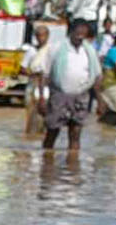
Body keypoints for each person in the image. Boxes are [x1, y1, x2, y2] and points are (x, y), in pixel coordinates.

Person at [32, 20, 105, 160]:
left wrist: (100, 101)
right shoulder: (56, 48)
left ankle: (73, 168)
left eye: (83, 35)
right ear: (70, 32)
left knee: (76, 133)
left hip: (81, 96)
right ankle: (46, 165)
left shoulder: (89, 51)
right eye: (78, 34)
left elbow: (96, 77)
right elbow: (44, 75)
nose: (80, 37)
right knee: (52, 131)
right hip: (59, 95)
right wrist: (42, 98)